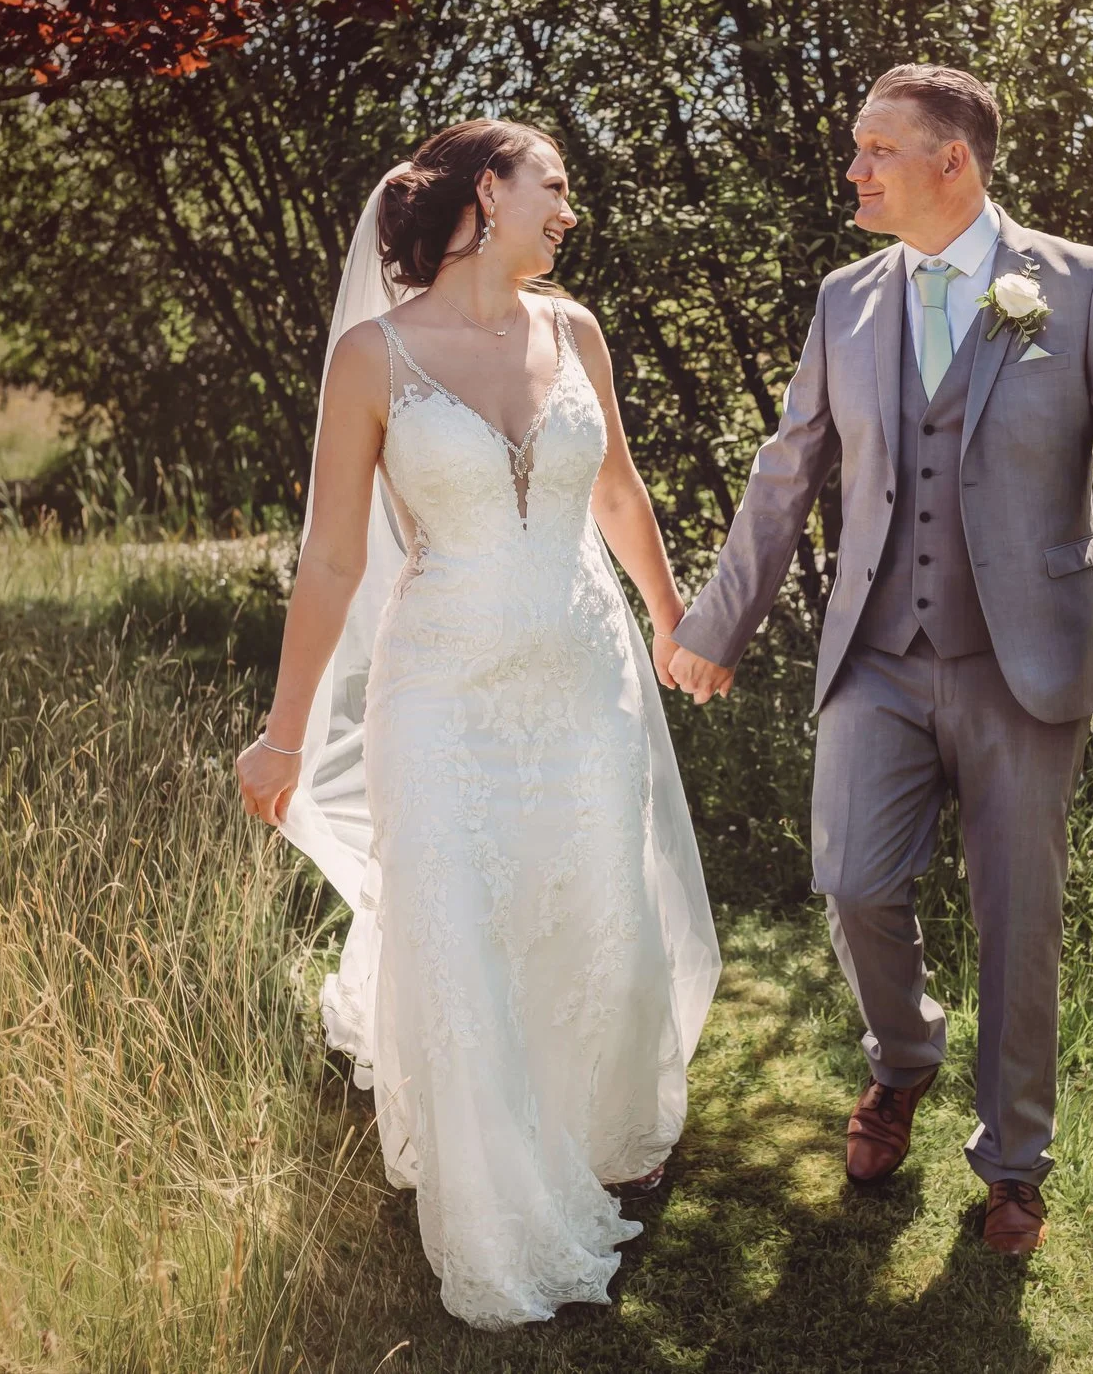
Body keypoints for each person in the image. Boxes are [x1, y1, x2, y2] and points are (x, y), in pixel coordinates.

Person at [666, 64, 1093, 1257]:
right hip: (878, 653)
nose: (853, 168)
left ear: (949, 160)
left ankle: (1014, 1164)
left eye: (875, 149)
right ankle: (902, 1056)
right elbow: (787, 466)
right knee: (852, 876)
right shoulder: (846, 299)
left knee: (1020, 916)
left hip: (1033, 658)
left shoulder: (1079, 284)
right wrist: (716, 619)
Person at [236, 119, 721, 1328]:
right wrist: (286, 731)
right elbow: (334, 554)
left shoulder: (576, 333)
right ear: (486, 192)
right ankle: (494, 1204)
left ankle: (591, 1127)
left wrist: (670, 620)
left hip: (581, 677)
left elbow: (614, 486)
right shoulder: (373, 356)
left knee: (586, 902)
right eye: (553, 186)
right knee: (456, 919)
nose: (569, 210)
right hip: (439, 691)